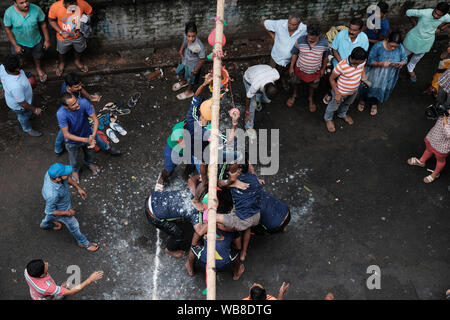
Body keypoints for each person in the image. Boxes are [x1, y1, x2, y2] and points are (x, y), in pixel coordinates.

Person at [54, 73, 120, 156]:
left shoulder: (70, 84)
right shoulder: (67, 99)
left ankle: (58, 149)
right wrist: (86, 108)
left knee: (64, 132)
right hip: (72, 117)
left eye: (80, 85)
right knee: (68, 132)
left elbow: (80, 89)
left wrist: (90, 97)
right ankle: (107, 148)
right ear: (69, 88)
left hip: (75, 115)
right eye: (77, 87)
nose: (80, 87)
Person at [40, 163, 99, 251]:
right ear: (57, 178)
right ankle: (83, 242)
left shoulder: (50, 173)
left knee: (51, 213)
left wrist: (78, 188)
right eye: (65, 174)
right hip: (62, 209)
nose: (68, 174)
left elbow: (67, 178)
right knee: (74, 226)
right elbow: (49, 211)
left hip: (57, 202)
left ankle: (45, 224)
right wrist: (67, 213)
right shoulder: (52, 195)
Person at [214, 158, 263, 262]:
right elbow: (250, 166)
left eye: (233, 166)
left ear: (239, 170)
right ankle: (243, 253)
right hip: (255, 216)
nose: (229, 167)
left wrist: (232, 181)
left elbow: (218, 183)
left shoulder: (235, 183)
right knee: (248, 228)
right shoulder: (254, 178)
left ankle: (220, 237)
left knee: (212, 217)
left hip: (241, 220)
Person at [145, 189, 207, 258]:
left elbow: (191, 180)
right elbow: (199, 230)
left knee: (174, 205)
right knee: (178, 234)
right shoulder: (194, 213)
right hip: (153, 216)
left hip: (153, 197)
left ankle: (173, 216)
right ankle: (169, 250)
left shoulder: (194, 191)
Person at [357, 31, 407, 116]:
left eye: (395, 47)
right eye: (391, 46)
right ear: (387, 40)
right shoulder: (378, 46)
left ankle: (374, 103)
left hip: (389, 75)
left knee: (380, 89)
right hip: (375, 73)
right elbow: (369, 61)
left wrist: (402, 63)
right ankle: (362, 100)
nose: (393, 48)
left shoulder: (400, 47)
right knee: (368, 87)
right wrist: (381, 64)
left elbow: (404, 58)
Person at [3, 0, 51, 83]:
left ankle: (38, 68)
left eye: (27, 1)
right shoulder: (9, 13)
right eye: (22, 3)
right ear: (15, 3)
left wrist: (47, 40)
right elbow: (7, 30)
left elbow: (43, 24)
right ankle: (20, 73)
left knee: (38, 56)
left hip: (36, 40)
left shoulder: (36, 9)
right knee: (19, 59)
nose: (26, 4)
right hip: (19, 42)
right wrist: (15, 45)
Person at [323, 18, 369, 104]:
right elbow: (334, 49)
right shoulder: (341, 35)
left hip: (355, 66)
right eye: (350, 28)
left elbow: (363, 56)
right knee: (333, 80)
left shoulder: (364, 38)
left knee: (348, 82)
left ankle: (346, 96)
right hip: (339, 63)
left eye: (354, 30)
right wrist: (342, 63)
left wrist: (363, 75)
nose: (351, 31)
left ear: (360, 31)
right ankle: (330, 93)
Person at [57, 92, 100, 183]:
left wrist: (92, 136)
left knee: (89, 153)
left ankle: (89, 163)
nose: (77, 104)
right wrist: (86, 140)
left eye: (76, 101)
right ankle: (75, 170)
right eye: (73, 104)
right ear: (66, 107)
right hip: (72, 141)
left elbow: (95, 119)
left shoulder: (83, 102)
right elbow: (66, 135)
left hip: (87, 134)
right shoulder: (61, 113)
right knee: (74, 158)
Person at [324, 47, 369, 133]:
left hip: (353, 91)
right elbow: (331, 79)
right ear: (356, 60)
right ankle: (328, 119)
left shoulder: (362, 61)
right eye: (362, 61)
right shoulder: (341, 66)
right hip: (340, 92)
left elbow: (362, 68)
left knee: (347, 103)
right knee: (333, 106)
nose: (364, 62)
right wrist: (337, 94)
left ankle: (342, 114)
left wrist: (364, 78)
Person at [403, 2, 450, 82]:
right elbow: (408, 12)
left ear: (444, 15)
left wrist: (441, 28)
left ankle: (410, 69)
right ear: (435, 8)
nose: (436, 16)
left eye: (439, 15)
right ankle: (396, 67)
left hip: (426, 41)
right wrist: (415, 23)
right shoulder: (424, 12)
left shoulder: (446, 17)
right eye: (435, 12)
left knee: (417, 56)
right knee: (403, 54)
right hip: (413, 38)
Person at [287, 23, 329, 112]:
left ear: (319, 36)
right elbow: (295, 53)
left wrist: (323, 69)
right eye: (309, 37)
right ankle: (294, 94)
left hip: (315, 71)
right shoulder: (300, 40)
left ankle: (310, 98)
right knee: (296, 82)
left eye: (313, 39)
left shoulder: (324, 43)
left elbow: (325, 57)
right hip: (299, 69)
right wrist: (291, 67)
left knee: (312, 86)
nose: (309, 40)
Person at [262, 11, 307, 90]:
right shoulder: (279, 24)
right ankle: (269, 85)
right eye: (289, 23)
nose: (290, 26)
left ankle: (282, 80)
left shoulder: (303, 29)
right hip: (276, 57)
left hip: (289, 60)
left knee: (285, 72)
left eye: (294, 25)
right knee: (270, 73)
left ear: (299, 23)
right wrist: (272, 36)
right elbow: (263, 23)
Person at [0, 54, 42, 136]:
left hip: (22, 99)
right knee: (23, 117)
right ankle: (27, 129)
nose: (23, 61)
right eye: (21, 62)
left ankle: (29, 114)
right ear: (17, 69)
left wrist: (3, 85)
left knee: (27, 112)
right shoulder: (15, 86)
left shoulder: (3, 67)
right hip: (20, 107)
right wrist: (34, 110)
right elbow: (22, 103)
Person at [48, 0, 93, 76]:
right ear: (64, 4)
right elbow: (51, 20)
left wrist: (84, 19)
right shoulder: (55, 7)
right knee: (61, 52)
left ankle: (77, 61)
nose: (74, 5)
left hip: (79, 35)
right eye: (71, 4)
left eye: (75, 3)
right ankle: (62, 63)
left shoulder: (82, 3)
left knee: (79, 50)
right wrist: (61, 32)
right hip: (62, 37)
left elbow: (90, 13)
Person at [24, 259, 103, 300]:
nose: (47, 263)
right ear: (42, 275)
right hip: (46, 297)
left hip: (35, 293)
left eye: (44, 262)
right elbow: (71, 292)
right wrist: (90, 279)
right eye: (45, 266)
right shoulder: (47, 287)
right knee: (59, 296)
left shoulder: (27, 271)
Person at [407, 109, 450, 183]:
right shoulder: (447, 110)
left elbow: (448, 135)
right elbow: (438, 118)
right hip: (433, 137)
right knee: (429, 149)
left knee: (440, 160)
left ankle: (435, 174)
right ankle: (421, 161)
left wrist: (445, 123)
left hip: (442, 146)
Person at [243, 64, 279, 137]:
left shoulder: (276, 75)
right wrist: (247, 112)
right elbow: (248, 98)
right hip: (249, 78)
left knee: (268, 100)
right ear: (264, 89)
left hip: (262, 71)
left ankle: (256, 99)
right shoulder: (255, 85)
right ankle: (249, 127)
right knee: (252, 106)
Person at [172, 22, 206, 100]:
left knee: (191, 79)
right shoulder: (185, 37)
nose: (190, 38)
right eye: (189, 36)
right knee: (178, 71)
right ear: (186, 34)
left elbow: (202, 59)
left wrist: (196, 70)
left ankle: (189, 91)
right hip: (185, 60)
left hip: (193, 65)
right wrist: (181, 50)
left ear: (196, 34)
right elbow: (184, 42)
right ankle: (183, 81)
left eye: (193, 36)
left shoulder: (199, 46)